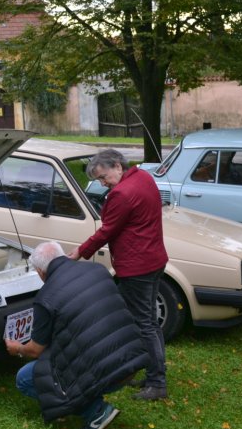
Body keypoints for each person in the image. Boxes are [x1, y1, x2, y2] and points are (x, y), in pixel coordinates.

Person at [5, 241, 147, 429]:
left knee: (25, 378)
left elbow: (35, 350)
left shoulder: (46, 297)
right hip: (131, 361)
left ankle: (95, 412)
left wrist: (17, 348)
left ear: (40, 271)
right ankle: (83, 401)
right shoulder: (98, 269)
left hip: (107, 371)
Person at [68, 149, 170, 401]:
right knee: (149, 320)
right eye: (100, 181)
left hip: (137, 267)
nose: (103, 184)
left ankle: (157, 382)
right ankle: (153, 372)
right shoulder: (144, 178)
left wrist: (80, 252)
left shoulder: (121, 194)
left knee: (142, 323)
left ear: (117, 165)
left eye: (104, 177)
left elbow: (107, 231)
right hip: (154, 260)